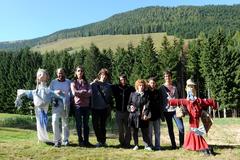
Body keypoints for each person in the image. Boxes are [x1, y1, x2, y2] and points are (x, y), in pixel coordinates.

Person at [168, 79, 218, 155]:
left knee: (196, 130)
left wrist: (214, 104)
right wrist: (169, 102)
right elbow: (177, 101)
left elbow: (208, 101)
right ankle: (191, 144)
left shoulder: (199, 101)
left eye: (192, 87)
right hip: (192, 122)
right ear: (187, 88)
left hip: (197, 120)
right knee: (193, 130)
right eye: (189, 87)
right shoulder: (186, 101)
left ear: (194, 88)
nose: (191, 88)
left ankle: (194, 144)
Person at [15, 68, 65, 144]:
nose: (41, 76)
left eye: (42, 74)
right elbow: (33, 92)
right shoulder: (37, 90)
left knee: (43, 121)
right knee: (39, 121)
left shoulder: (46, 89)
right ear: (37, 77)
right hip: (38, 107)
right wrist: (22, 93)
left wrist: (55, 92)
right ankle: (41, 138)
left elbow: (50, 92)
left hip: (44, 107)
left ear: (46, 76)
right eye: (39, 75)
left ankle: (44, 138)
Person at [159, 70, 184, 149]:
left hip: (176, 110)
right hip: (167, 111)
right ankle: (173, 145)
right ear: (164, 77)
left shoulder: (175, 87)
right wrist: (161, 113)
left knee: (181, 128)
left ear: (171, 77)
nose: (167, 78)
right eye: (166, 76)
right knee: (170, 129)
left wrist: (181, 107)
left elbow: (179, 98)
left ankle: (182, 144)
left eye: (169, 76)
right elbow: (160, 101)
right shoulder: (161, 88)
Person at [90, 68, 113, 147]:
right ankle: (99, 141)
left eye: (105, 75)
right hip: (94, 108)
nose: (103, 76)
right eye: (102, 74)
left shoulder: (109, 86)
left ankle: (103, 141)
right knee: (95, 125)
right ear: (99, 75)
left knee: (103, 126)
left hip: (104, 108)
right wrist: (93, 81)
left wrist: (110, 107)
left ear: (107, 76)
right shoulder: (94, 84)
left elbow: (110, 97)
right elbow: (87, 88)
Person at [127, 79, 152, 151]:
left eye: (142, 86)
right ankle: (136, 145)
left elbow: (148, 105)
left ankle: (146, 146)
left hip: (143, 116)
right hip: (134, 116)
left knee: (145, 131)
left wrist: (146, 114)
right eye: (140, 85)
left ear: (144, 87)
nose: (141, 87)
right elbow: (128, 105)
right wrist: (130, 108)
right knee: (135, 132)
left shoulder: (146, 95)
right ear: (137, 86)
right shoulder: (132, 94)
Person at [70, 66, 92, 147]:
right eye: (78, 71)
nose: (80, 72)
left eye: (82, 71)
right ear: (76, 72)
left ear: (83, 72)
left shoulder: (87, 82)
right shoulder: (73, 82)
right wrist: (83, 91)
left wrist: (80, 93)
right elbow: (74, 93)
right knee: (78, 124)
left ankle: (86, 141)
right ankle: (80, 141)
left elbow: (90, 93)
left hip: (86, 106)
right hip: (77, 106)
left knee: (86, 124)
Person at [49, 68, 71, 147]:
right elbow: (49, 92)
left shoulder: (68, 82)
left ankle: (65, 140)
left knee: (65, 123)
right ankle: (57, 141)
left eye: (62, 73)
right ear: (56, 74)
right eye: (59, 73)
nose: (60, 75)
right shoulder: (53, 82)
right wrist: (55, 92)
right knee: (54, 121)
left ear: (64, 73)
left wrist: (67, 95)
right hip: (56, 104)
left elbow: (72, 92)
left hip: (66, 104)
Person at [112, 74, 135, 148]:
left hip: (127, 112)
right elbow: (107, 86)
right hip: (118, 111)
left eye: (124, 79)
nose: (123, 81)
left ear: (126, 79)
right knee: (120, 129)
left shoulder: (130, 88)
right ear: (119, 80)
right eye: (121, 79)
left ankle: (127, 143)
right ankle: (122, 143)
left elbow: (136, 94)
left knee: (128, 129)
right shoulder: (116, 88)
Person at [147, 77, 165, 151]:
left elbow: (161, 103)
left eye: (154, 83)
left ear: (155, 84)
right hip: (149, 115)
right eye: (151, 83)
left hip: (157, 115)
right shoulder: (146, 92)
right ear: (148, 83)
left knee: (157, 132)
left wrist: (161, 114)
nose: (152, 84)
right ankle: (150, 146)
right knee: (150, 132)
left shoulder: (158, 92)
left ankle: (158, 146)